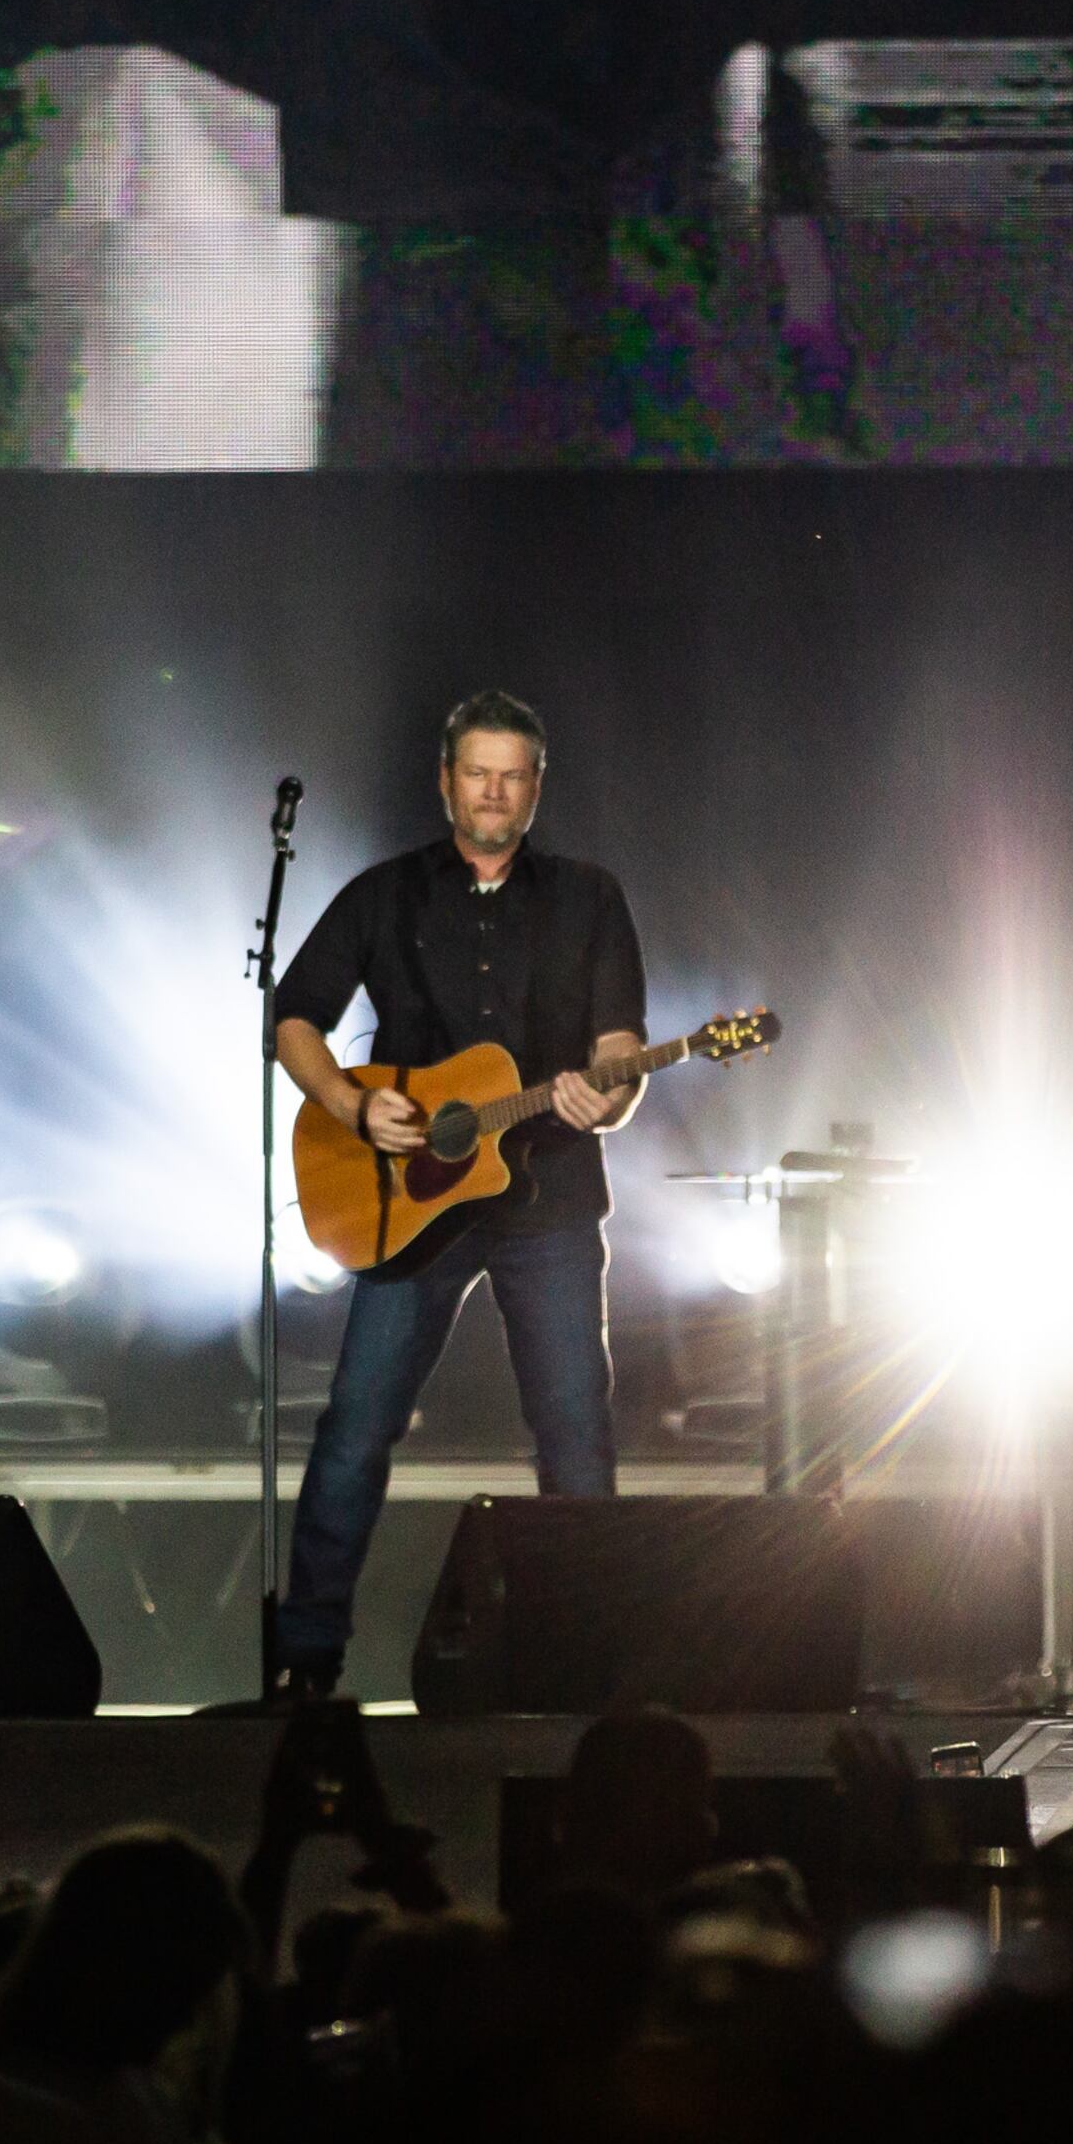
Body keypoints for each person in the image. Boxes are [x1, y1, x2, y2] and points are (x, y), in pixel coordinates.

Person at [266, 690, 646, 1699]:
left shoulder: (590, 896)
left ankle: (586, 1669)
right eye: (477, 771)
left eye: (513, 773)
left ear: (535, 787)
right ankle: (307, 1662)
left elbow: (619, 1050)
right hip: (406, 1205)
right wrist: (351, 1106)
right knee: (357, 1423)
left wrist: (602, 1100)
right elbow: (294, 1016)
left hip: (550, 1199)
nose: (493, 790)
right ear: (446, 781)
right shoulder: (382, 894)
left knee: (575, 1428)